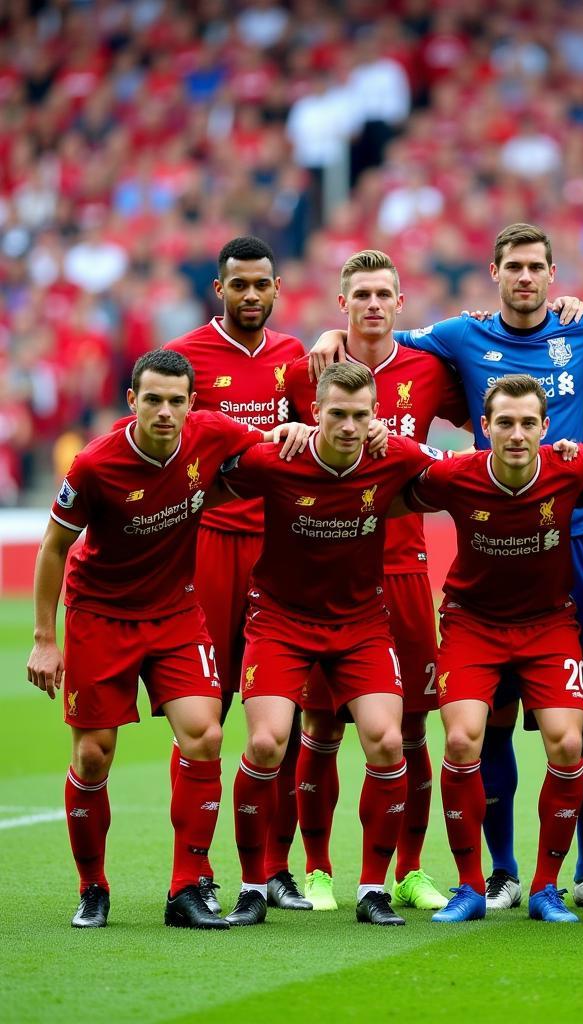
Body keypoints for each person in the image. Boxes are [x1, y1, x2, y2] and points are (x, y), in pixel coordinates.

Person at [310, 222, 583, 910]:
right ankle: (501, 869)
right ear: (495, 271)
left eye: (536, 268)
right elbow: (385, 341)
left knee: (577, 723)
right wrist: (328, 338)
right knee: (484, 723)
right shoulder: (459, 337)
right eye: (514, 267)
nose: (525, 278)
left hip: (574, 540)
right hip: (491, 544)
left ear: (553, 275)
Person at [27, 349, 306, 929]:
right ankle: (92, 887)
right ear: (132, 402)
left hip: (176, 612)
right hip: (100, 615)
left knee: (205, 734)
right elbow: (54, 547)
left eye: (176, 401)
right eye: (152, 399)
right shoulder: (94, 464)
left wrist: (296, 430)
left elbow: (262, 447)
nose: (164, 411)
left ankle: (188, 886)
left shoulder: (210, 433)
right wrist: (43, 639)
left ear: (191, 404)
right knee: (93, 755)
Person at [403, 374, 583, 923]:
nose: (516, 434)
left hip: (548, 628)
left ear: (546, 428)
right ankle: (471, 886)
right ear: (483, 429)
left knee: (568, 745)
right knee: (462, 738)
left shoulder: (570, 463)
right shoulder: (458, 474)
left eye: (527, 424)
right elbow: (403, 455)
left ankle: (546, 887)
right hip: (473, 625)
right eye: (504, 423)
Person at [218, 361, 448, 927]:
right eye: (337, 414)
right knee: (269, 744)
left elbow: (463, 469)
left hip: (362, 624)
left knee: (388, 743)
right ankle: (253, 886)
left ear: (375, 416)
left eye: (360, 415)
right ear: (314, 413)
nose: (349, 426)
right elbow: (211, 470)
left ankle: (372, 889)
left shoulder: (394, 456)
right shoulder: (278, 458)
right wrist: (262, 432)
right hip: (280, 621)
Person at [282, 249, 468, 912]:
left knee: (410, 730)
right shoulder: (311, 370)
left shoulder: (430, 369)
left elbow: (489, 417)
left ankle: (408, 870)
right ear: (342, 304)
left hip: (404, 569)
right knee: (321, 726)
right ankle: (316, 868)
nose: (370, 305)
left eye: (382, 294)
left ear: (399, 302)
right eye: (359, 294)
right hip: (326, 572)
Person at [165, 236, 310, 913]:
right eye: (238, 285)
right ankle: (190, 871)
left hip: (280, 547)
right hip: (212, 545)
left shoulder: (293, 358)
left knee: (275, 711)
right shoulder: (185, 359)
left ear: (276, 287)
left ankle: (273, 868)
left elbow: (316, 434)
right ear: (218, 290)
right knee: (205, 712)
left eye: (261, 284)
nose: (250, 294)